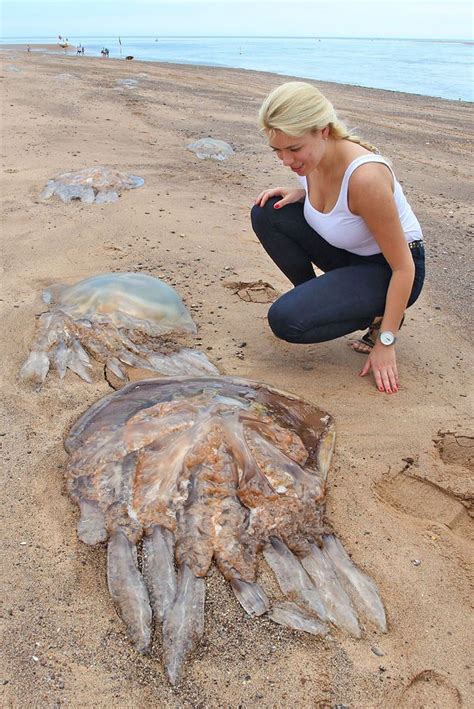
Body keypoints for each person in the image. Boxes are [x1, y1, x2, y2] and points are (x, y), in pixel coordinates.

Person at [251, 81, 425, 395]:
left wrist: (387, 342)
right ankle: (322, 299)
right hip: (350, 253)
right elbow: (341, 207)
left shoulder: (366, 178)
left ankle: (380, 316)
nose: (287, 160)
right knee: (267, 212)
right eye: (277, 150)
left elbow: (405, 269)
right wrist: (302, 193)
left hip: (391, 270)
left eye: (293, 149)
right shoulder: (311, 160)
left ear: (324, 131)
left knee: (285, 320)